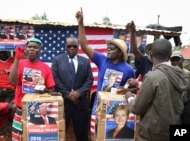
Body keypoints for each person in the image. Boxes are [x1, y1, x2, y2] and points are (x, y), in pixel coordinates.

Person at [76, 9, 135, 139]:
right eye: (108, 47)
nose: (108, 49)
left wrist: (127, 89)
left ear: (120, 52)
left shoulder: (128, 69)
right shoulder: (102, 60)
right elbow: (84, 45)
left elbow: (132, 90)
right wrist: (81, 23)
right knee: (95, 136)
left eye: (112, 47)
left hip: (115, 112)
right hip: (97, 108)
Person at [125, 38, 189, 141]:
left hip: (153, 135)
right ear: (169, 55)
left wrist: (130, 98)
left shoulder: (152, 77)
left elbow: (137, 108)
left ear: (151, 54)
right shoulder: (180, 75)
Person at [9, 37, 55, 141]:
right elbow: (12, 81)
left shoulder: (46, 68)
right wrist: (17, 58)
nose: (32, 49)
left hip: (38, 112)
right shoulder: (20, 63)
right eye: (29, 47)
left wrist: (44, 90)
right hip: (21, 109)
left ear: (40, 50)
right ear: (26, 49)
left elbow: (51, 90)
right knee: (18, 138)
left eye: (35, 47)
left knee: (35, 138)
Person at [51, 36, 93, 141]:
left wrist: (78, 93)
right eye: (69, 46)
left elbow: (89, 80)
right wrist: (67, 94)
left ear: (78, 47)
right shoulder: (57, 60)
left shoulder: (85, 61)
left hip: (81, 103)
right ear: (65, 46)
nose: (72, 48)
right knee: (60, 132)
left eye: (74, 46)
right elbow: (55, 78)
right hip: (63, 103)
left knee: (82, 134)